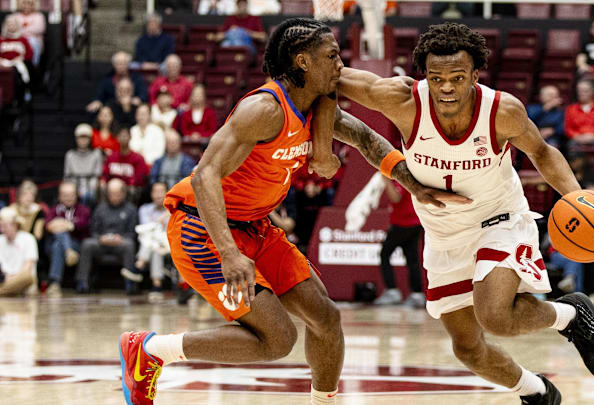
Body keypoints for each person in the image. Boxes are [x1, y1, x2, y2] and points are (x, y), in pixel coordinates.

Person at [118, 18, 461, 405]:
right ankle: (150, 350)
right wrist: (228, 252)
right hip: (204, 230)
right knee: (277, 340)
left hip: (256, 228)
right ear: (303, 62)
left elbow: (366, 138)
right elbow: (203, 177)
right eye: (331, 57)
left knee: (326, 319)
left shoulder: (315, 109)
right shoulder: (263, 109)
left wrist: (413, 184)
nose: (340, 66)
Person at [328, 22, 594, 403]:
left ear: (475, 75)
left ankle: (571, 317)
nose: (446, 87)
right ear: (425, 76)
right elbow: (330, 75)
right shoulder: (402, 101)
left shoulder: (501, 110)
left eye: (457, 78)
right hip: (444, 235)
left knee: (495, 316)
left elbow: (543, 152)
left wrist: (577, 198)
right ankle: (536, 390)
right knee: (467, 348)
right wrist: (292, 56)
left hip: (499, 218)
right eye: (437, 78)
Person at [76, 178, 138, 294]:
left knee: (129, 244)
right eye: (111, 194)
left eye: (117, 194)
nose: (114, 197)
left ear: (123, 193)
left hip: (120, 243)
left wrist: (121, 238)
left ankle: (130, 283)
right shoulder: (100, 208)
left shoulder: (131, 209)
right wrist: (100, 238)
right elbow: (93, 230)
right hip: (102, 243)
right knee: (87, 244)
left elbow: (132, 233)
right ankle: (82, 282)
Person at [373, 177, 424, 308]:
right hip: (414, 222)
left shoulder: (400, 179)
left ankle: (392, 291)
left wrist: (386, 180)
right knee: (412, 259)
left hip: (403, 223)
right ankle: (417, 294)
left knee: (385, 254)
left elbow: (396, 198)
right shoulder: (408, 175)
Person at [45, 182, 91, 298]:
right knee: (58, 242)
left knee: (58, 243)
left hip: (77, 244)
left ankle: (54, 282)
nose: (68, 198)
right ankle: (68, 251)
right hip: (54, 245)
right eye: (65, 195)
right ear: (60, 196)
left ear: (76, 195)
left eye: (71, 195)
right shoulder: (54, 209)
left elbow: (83, 224)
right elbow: (48, 226)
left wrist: (64, 224)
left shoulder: (83, 209)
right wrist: (67, 225)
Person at [136, 182, 171, 303]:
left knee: (153, 244)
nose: (158, 195)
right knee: (154, 246)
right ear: (151, 194)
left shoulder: (173, 210)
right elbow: (147, 229)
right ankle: (157, 285)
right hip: (152, 242)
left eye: (161, 191)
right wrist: (161, 219)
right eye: (155, 191)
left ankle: (139, 265)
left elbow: (171, 232)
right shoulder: (144, 209)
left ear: (167, 193)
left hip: (168, 244)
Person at [100, 128, 149, 202]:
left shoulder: (138, 158)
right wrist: (103, 181)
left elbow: (140, 178)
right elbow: (105, 174)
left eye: (125, 136)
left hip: (129, 187)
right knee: (101, 187)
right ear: (117, 138)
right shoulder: (111, 157)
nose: (123, 138)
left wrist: (124, 185)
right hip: (112, 187)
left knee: (132, 190)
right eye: (121, 136)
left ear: (130, 137)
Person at [0, 207, 38, 296]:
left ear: (15, 225)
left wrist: (13, 278)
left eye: (5, 226)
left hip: (21, 280)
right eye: (0, 226)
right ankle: (5, 292)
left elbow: (28, 267)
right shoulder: (0, 240)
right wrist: (6, 277)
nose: (2, 230)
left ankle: (4, 291)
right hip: (5, 280)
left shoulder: (28, 238)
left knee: (27, 277)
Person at [64, 123, 104, 206]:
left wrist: (88, 189)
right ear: (76, 139)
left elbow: (97, 175)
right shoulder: (70, 155)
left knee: (89, 196)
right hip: (74, 185)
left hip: (91, 186)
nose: (83, 140)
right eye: (80, 137)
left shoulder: (96, 154)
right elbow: (67, 177)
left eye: (86, 138)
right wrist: (75, 189)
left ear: (90, 139)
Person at [564, 80, 594, 147]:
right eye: (579, 91)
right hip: (577, 139)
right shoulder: (570, 109)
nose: (581, 93)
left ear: (592, 92)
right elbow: (568, 129)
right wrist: (578, 137)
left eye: (585, 91)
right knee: (571, 144)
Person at [0, 15, 34, 101]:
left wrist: (20, 59)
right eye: (9, 24)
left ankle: (23, 93)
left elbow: (30, 54)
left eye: (13, 24)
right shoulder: (1, 40)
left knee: (19, 72)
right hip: (3, 64)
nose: (11, 26)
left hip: (18, 64)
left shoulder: (23, 40)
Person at [9, 0, 45, 66]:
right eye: (24, 3)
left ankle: (32, 66)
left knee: (32, 41)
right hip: (18, 40)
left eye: (29, 4)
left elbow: (39, 29)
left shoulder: (39, 16)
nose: (27, 6)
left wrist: (20, 31)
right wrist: (27, 31)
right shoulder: (14, 16)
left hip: (33, 41)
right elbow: (9, 28)